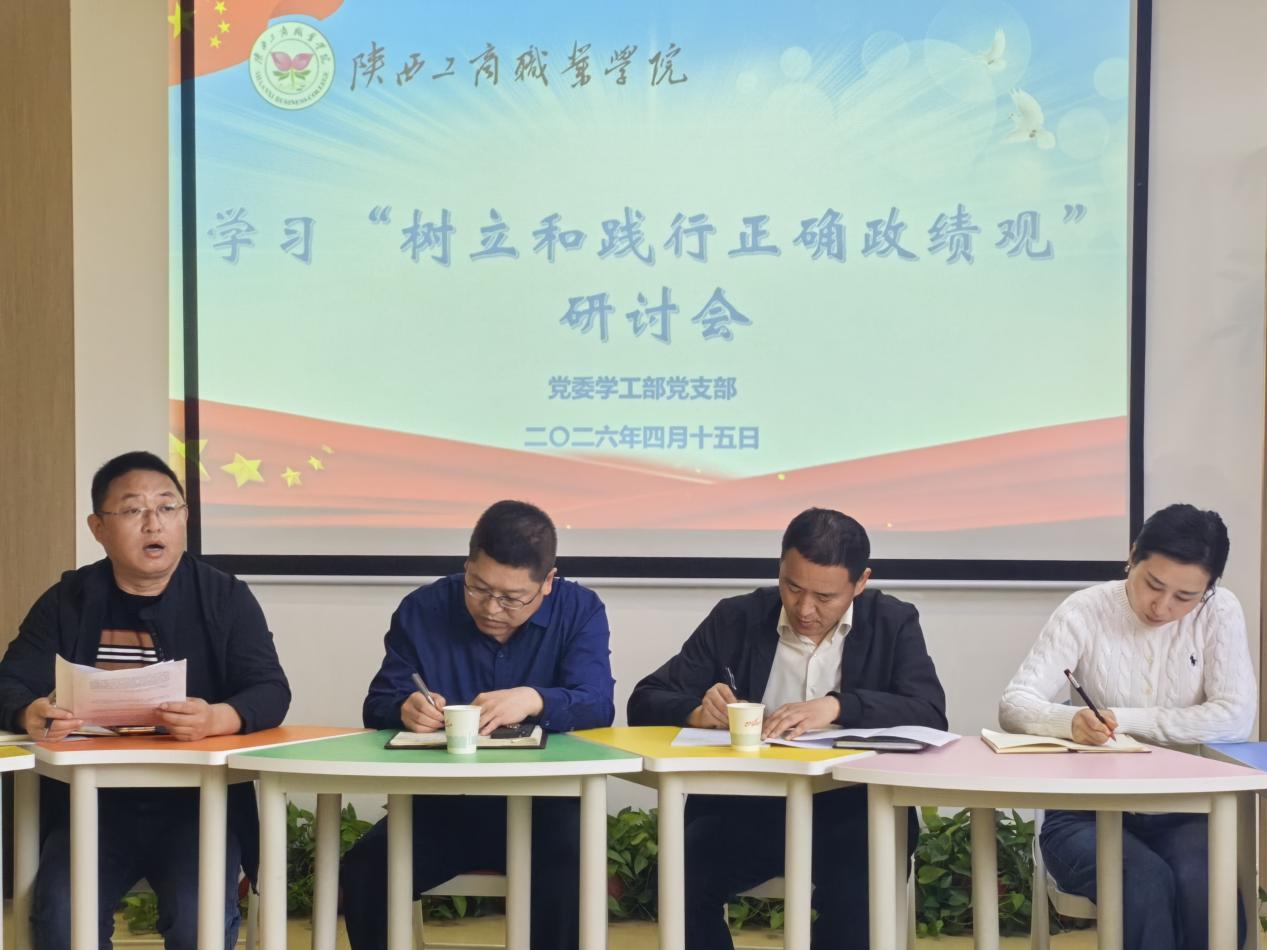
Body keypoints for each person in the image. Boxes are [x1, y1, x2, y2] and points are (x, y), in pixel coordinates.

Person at [0, 450, 291, 950]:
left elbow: (270, 689)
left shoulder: (224, 597)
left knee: (198, 924)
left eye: (167, 507)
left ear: (185, 518)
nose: (153, 522)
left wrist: (215, 718)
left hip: (196, 806)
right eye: (133, 509)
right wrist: (32, 712)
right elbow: (9, 681)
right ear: (98, 527)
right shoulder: (68, 600)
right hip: (90, 807)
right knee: (62, 920)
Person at [627, 507, 947, 950]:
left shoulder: (892, 622)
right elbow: (645, 699)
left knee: (857, 893)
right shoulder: (737, 618)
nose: (804, 609)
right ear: (780, 566)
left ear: (860, 582)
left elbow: (929, 712)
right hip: (746, 809)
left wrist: (837, 705)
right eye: (792, 587)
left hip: (854, 810)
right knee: (679, 877)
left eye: (825, 597)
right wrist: (696, 712)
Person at [341, 499, 615, 950]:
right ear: (467, 565)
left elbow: (598, 704)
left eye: (512, 598)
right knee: (366, 870)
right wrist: (405, 709)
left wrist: (534, 698)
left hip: (546, 807)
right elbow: (378, 703)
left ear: (548, 581)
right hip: (443, 807)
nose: (491, 608)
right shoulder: (424, 608)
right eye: (478, 587)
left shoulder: (580, 610)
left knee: (570, 871)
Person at [999, 503, 1255, 950]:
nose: (1163, 606)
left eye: (1186, 596)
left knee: (1204, 887)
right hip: (1084, 814)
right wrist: (1070, 721)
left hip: (1184, 810)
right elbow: (1014, 703)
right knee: (1142, 881)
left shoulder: (1220, 612)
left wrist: (1125, 720)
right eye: (1152, 584)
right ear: (1132, 556)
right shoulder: (1086, 609)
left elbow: (1235, 717)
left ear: (1209, 589)